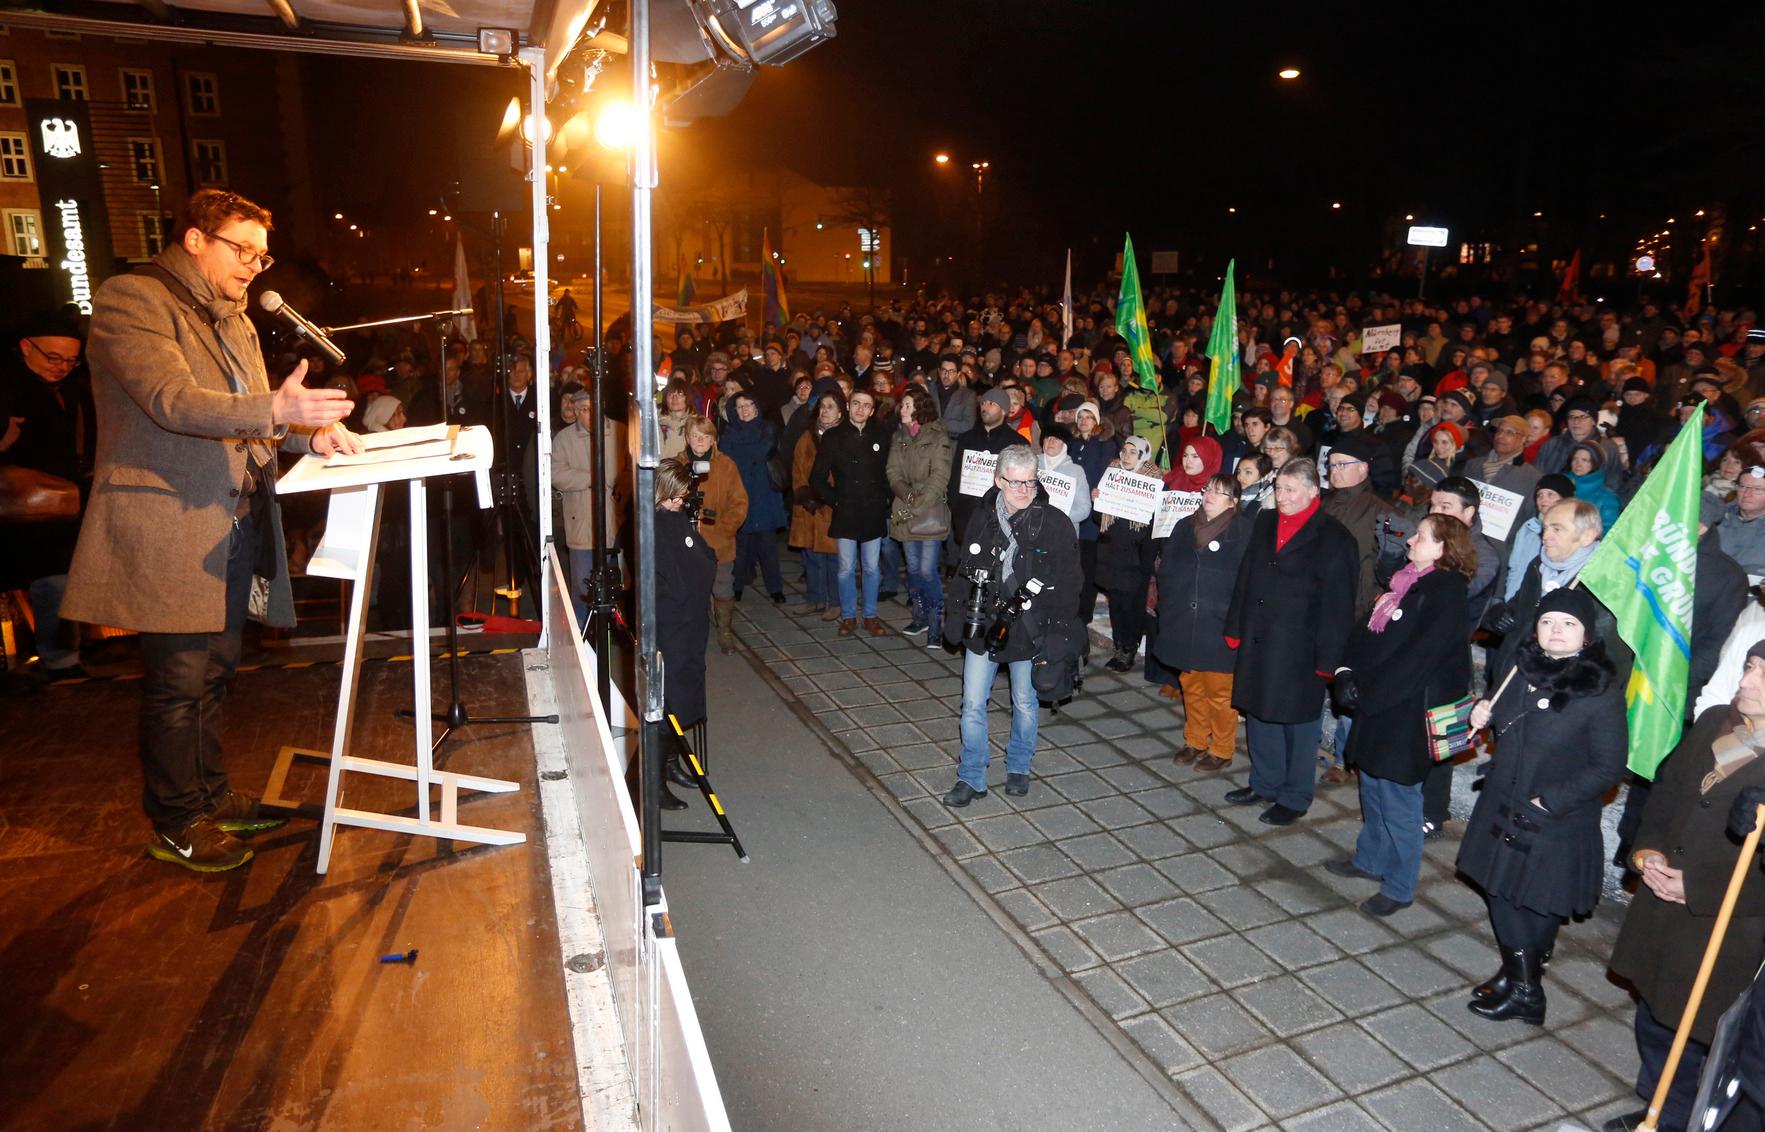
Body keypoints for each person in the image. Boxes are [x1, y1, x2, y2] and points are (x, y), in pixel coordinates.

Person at [62, 189, 360, 872]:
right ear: (195, 239)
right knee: (177, 681)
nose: (255, 264)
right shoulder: (132, 299)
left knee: (216, 671)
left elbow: (250, 416)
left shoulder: (235, 318)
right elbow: (172, 401)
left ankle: (212, 798)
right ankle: (176, 823)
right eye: (242, 249)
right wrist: (275, 410)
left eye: (262, 255)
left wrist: (306, 435)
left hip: (233, 522)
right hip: (169, 522)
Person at [1603, 643, 1765, 1132]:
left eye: (1764, 676)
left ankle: (1681, 1119)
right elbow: (1668, 791)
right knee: (1654, 1013)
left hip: (1728, 928)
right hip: (1663, 908)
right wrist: (1647, 851)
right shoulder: (1719, 722)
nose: (1746, 682)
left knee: (1699, 1034)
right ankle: (1657, 1107)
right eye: (1750, 668)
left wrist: (1697, 887)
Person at [1458, 587, 1627, 1024]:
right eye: (1547, 622)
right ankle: (1517, 976)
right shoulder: (1522, 667)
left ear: (1586, 635)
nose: (1556, 631)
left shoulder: (1599, 690)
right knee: (1503, 893)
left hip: (1552, 817)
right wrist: (1482, 712)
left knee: (1530, 902)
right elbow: (1507, 719)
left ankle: (1526, 993)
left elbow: (1608, 766)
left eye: (1568, 624)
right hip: (1503, 800)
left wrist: (1549, 801)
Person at [1325, 514, 1475, 915]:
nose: (1410, 541)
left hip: (1406, 714)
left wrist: (1367, 694)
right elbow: (1366, 632)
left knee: (1400, 802)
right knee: (1373, 789)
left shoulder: (1445, 594)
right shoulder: (1405, 583)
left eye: (1421, 536)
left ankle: (1399, 885)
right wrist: (1345, 671)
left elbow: (1418, 660)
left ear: (1443, 549)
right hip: (1379, 705)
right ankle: (1370, 859)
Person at [940, 444, 1081, 806]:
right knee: (972, 704)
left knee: (1025, 702)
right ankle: (971, 775)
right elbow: (964, 570)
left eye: (1030, 482)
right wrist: (954, 615)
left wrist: (1059, 633)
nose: (1023, 490)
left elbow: (1071, 584)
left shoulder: (1055, 524)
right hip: (984, 624)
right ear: (998, 480)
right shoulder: (981, 517)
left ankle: (1019, 766)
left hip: (1029, 628)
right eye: (1015, 482)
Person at [1222, 458, 1359, 826]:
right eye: (1278, 488)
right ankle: (1264, 782)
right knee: (1259, 713)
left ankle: (1295, 796)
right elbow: (1247, 575)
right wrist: (1235, 626)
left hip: (1300, 647)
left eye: (1290, 490)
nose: (1281, 497)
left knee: (1298, 725)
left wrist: (1328, 661)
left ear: (1314, 491)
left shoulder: (1335, 538)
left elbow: (1339, 606)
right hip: (1259, 637)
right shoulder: (1266, 521)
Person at [1, 308, 94, 681]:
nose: (62, 367)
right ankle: (57, 659)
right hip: (14, 503)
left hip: (59, 505)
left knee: (58, 576)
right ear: (26, 347)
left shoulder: (74, 388)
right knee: (52, 576)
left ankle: (62, 659)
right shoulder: (8, 385)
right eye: (53, 358)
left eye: (71, 360)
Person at [1154, 473, 1251, 772]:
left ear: (1233, 502)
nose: (1209, 495)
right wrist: (1169, 606)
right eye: (1208, 489)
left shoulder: (1245, 532)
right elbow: (1167, 570)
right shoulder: (1185, 525)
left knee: (1220, 692)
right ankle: (1195, 740)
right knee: (1192, 686)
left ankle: (1221, 747)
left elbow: (1250, 583)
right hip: (1184, 620)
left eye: (1219, 492)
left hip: (1220, 624)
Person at [652, 456, 716, 811]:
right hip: (671, 624)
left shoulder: (675, 518)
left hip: (689, 622)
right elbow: (669, 576)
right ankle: (652, 780)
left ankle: (671, 764)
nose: (681, 500)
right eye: (675, 494)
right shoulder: (653, 524)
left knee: (685, 693)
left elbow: (702, 555)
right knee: (669, 700)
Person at [813, 387, 892, 637]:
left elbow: (889, 473)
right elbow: (816, 477)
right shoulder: (833, 436)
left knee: (871, 568)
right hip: (845, 510)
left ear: (872, 410)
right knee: (845, 568)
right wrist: (835, 500)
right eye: (856, 403)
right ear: (847, 406)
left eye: (866, 405)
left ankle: (870, 615)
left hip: (873, 510)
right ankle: (848, 616)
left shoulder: (881, 435)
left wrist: (886, 501)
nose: (860, 409)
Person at [553, 386, 630, 628]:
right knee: (583, 584)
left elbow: (631, 468)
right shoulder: (564, 439)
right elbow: (555, 474)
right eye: (585, 410)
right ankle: (582, 632)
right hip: (581, 523)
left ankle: (614, 630)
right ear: (576, 412)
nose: (590, 414)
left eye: (594, 408)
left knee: (614, 580)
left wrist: (621, 487)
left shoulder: (620, 431)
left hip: (615, 521)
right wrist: (590, 478)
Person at [886, 383, 953, 640]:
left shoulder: (938, 436)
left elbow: (940, 476)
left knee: (927, 570)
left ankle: (936, 623)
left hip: (930, 510)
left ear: (919, 409)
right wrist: (909, 497)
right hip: (905, 508)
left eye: (907, 405)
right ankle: (920, 617)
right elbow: (893, 472)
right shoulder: (899, 436)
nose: (901, 409)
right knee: (913, 569)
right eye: (902, 405)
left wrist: (919, 503)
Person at [681, 414, 748, 654]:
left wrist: (726, 529)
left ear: (713, 440)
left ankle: (725, 632)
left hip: (719, 540)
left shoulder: (726, 465)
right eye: (695, 436)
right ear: (687, 438)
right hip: (686, 542)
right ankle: (690, 634)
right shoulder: (677, 465)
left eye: (705, 436)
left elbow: (739, 502)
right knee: (688, 590)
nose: (700, 440)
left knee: (722, 587)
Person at [1097, 435, 1160, 672]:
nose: (1126, 456)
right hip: (1114, 552)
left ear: (1143, 455)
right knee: (1116, 604)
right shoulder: (1112, 473)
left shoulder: (1154, 480)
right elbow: (1099, 519)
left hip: (1138, 555)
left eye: (1133, 452)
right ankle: (1119, 646)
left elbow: (1155, 524)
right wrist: (1098, 500)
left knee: (1132, 604)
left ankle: (1129, 648)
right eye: (1124, 451)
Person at [720, 391, 787, 606]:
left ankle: (775, 588)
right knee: (740, 545)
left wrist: (742, 453)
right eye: (740, 406)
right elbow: (727, 459)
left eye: (749, 404)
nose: (745, 410)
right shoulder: (729, 432)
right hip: (739, 494)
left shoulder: (768, 428)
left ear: (756, 407)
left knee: (768, 546)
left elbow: (761, 451)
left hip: (764, 493)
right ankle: (737, 586)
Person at [791, 393, 842, 615]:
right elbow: (797, 470)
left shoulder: (844, 437)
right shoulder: (806, 438)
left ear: (840, 412)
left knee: (833, 558)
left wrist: (827, 496)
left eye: (830, 407)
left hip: (832, 506)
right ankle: (815, 599)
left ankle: (835, 602)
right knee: (812, 556)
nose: (825, 411)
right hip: (809, 506)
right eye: (822, 406)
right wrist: (806, 496)